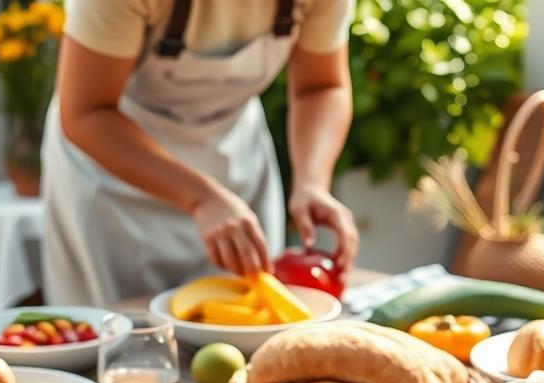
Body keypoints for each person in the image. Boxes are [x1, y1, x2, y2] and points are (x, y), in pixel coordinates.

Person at [42, 0, 359, 305]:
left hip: (235, 164)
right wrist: (201, 197)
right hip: (114, 180)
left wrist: (312, 183)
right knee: (123, 343)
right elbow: (87, 113)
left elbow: (320, 86)